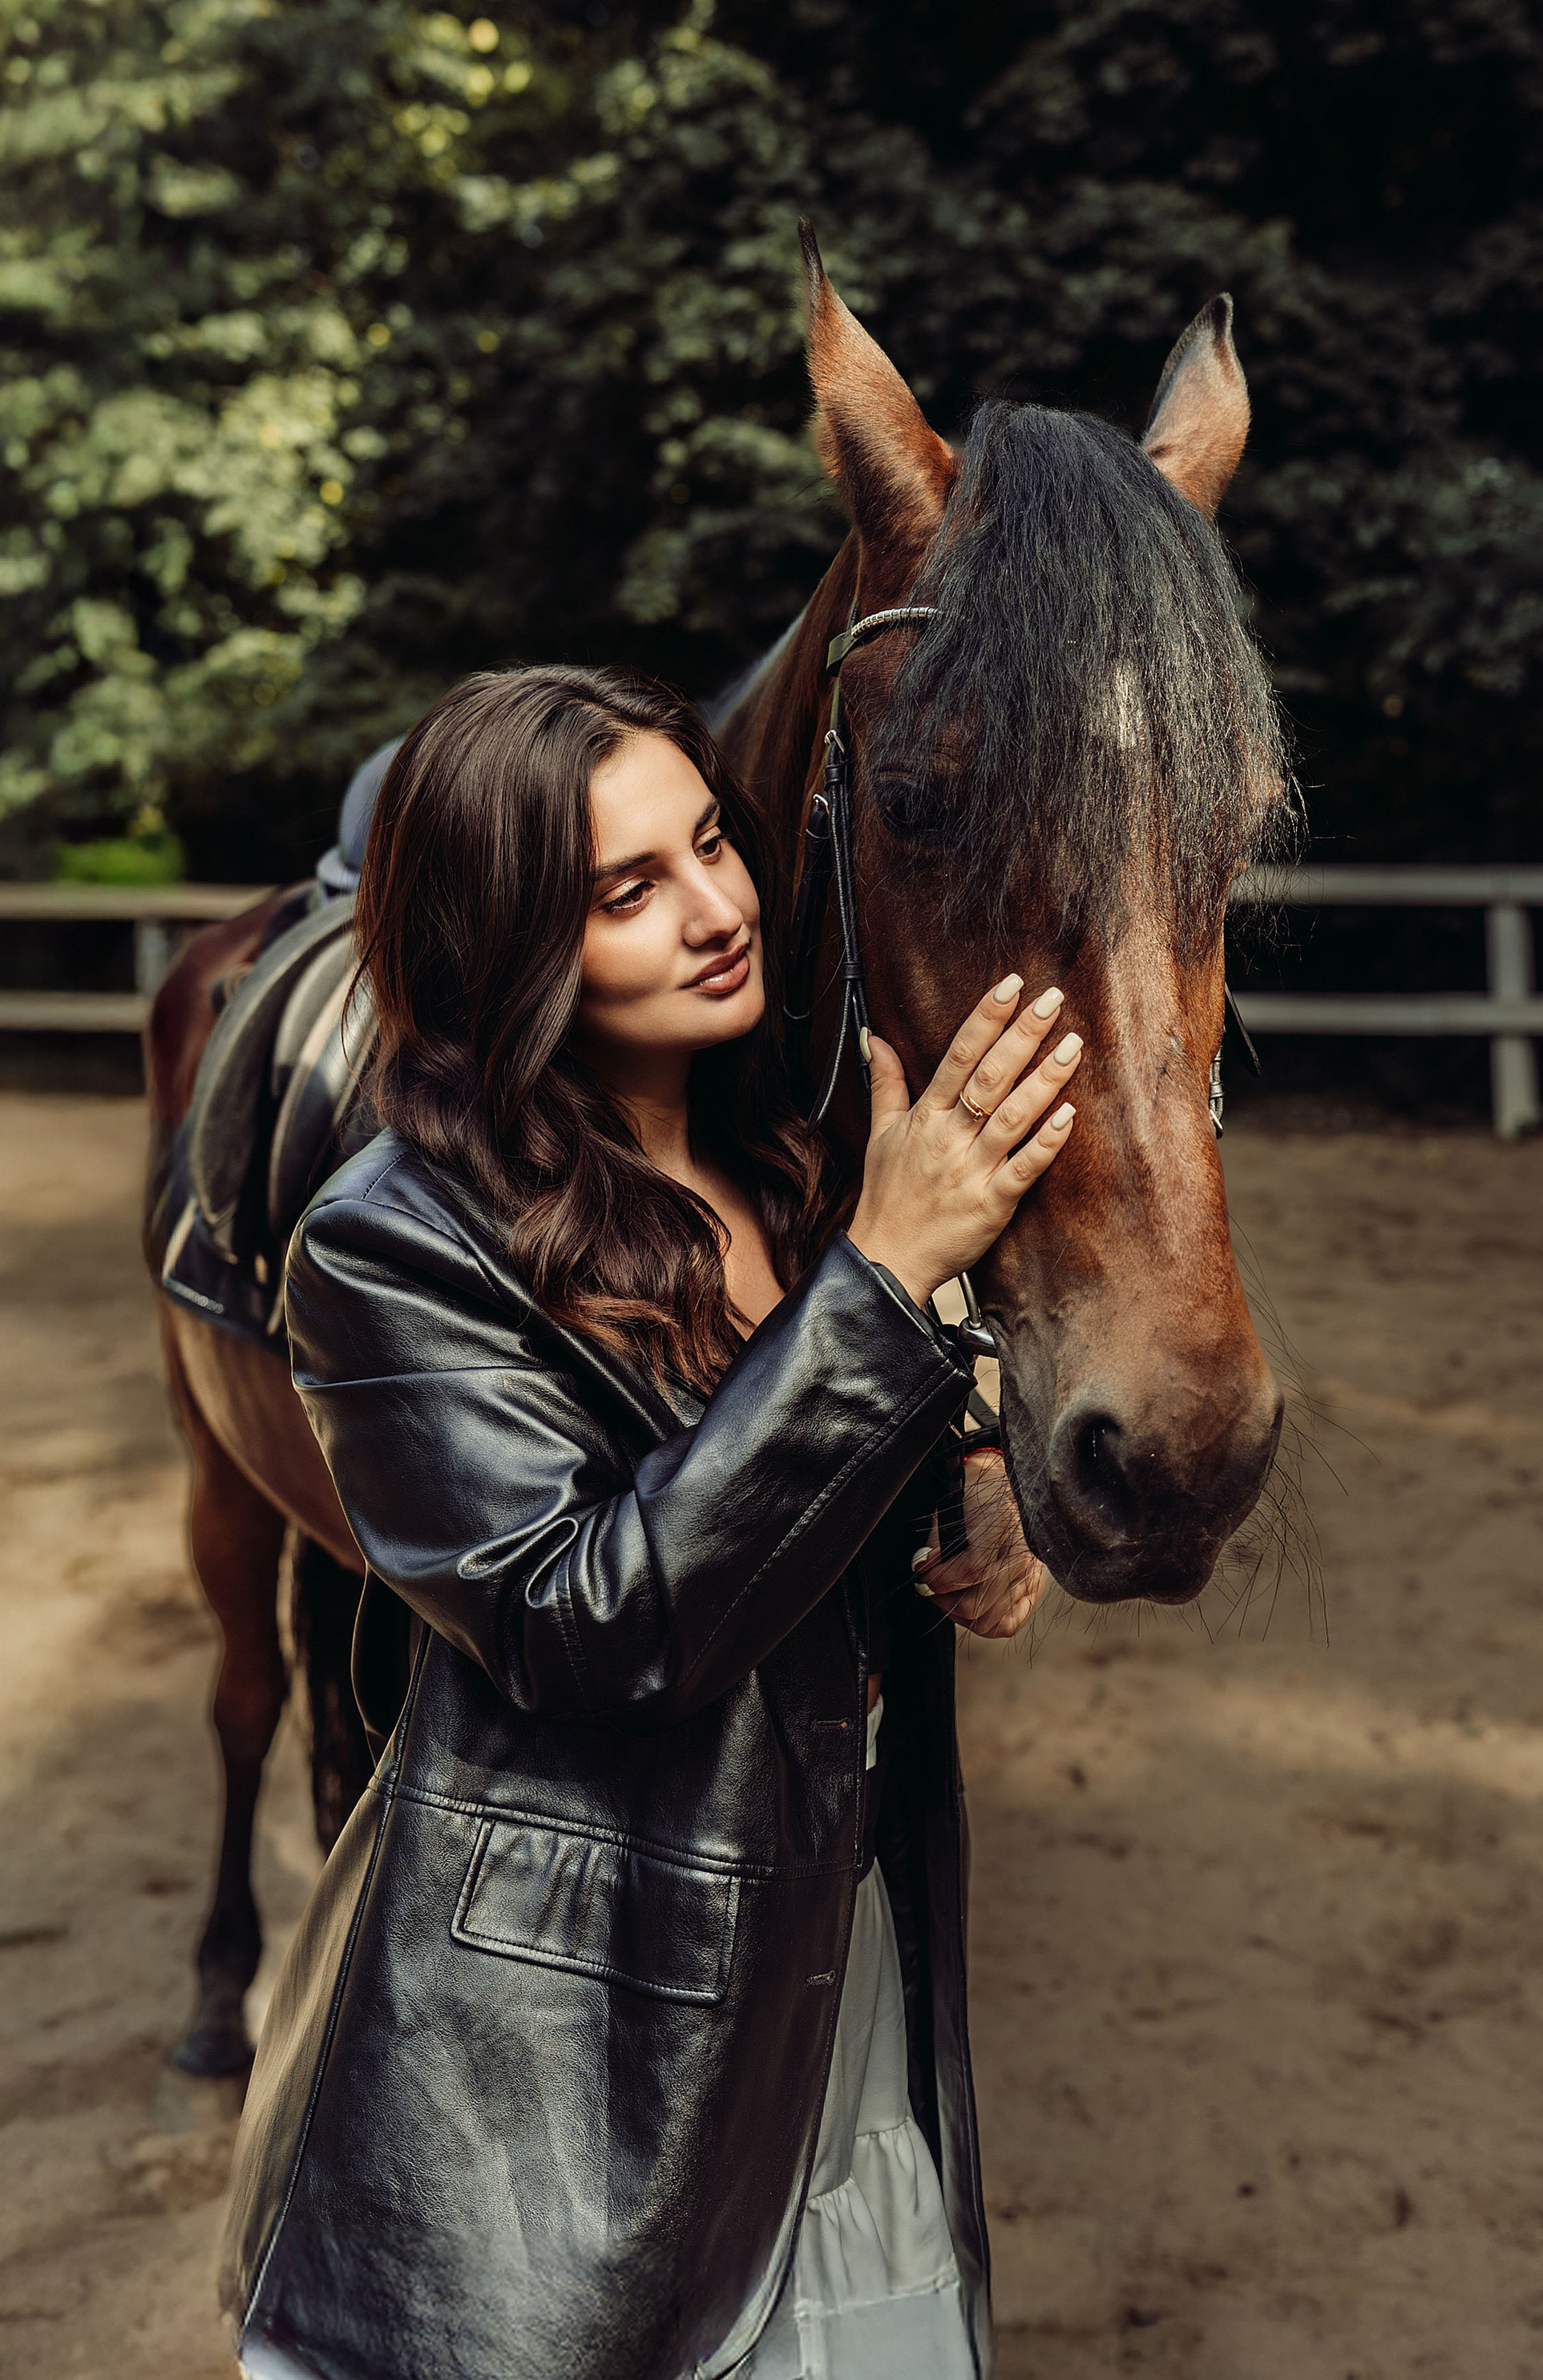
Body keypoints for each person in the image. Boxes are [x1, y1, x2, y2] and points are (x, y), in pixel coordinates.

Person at [221, 664, 1076, 2380]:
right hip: (574, 2034)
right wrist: (885, 1275)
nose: (715, 910)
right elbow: (591, 1621)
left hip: (838, 1928)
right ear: (505, 946)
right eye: (628, 891)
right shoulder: (392, 1247)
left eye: (711, 843)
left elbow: (806, 1485)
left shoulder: (794, 1159)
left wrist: (981, 1475)